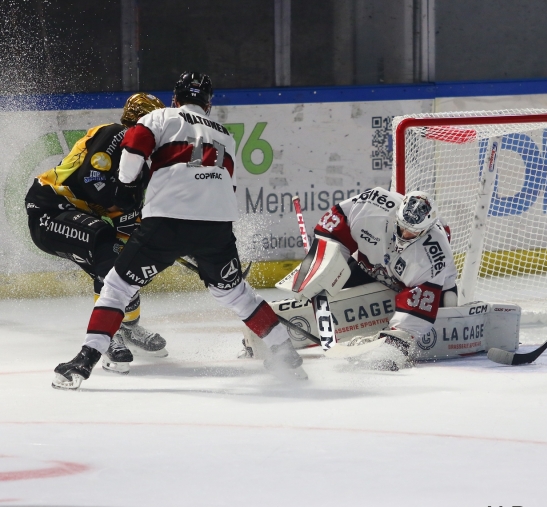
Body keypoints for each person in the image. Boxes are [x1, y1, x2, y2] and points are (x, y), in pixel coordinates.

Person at [52, 71, 305, 389]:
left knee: (116, 288)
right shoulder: (225, 134)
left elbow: (131, 158)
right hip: (217, 227)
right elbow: (229, 184)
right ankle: (286, 354)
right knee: (235, 293)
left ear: (175, 99)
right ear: (208, 104)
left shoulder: (160, 117)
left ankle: (83, 362)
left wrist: (128, 188)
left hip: (167, 223)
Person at [26, 93, 168, 374]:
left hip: (81, 218)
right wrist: (123, 214)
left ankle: (129, 327)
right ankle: (109, 336)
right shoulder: (115, 135)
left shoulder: (141, 164)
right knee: (106, 249)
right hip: (49, 208)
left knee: (128, 260)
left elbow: (133, 209)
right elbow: (89, 182)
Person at [283, 186, 458, 362]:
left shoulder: (435, 253)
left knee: (448, 303)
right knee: (330, 283)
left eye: (412, 232)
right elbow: (333, 225)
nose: (404, 235)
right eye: (402, 227)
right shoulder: (372, 205)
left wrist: (395, 343)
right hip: (370, 267)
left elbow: (418, 310)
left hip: (416, 283)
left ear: (426, 230)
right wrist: (322, 266)